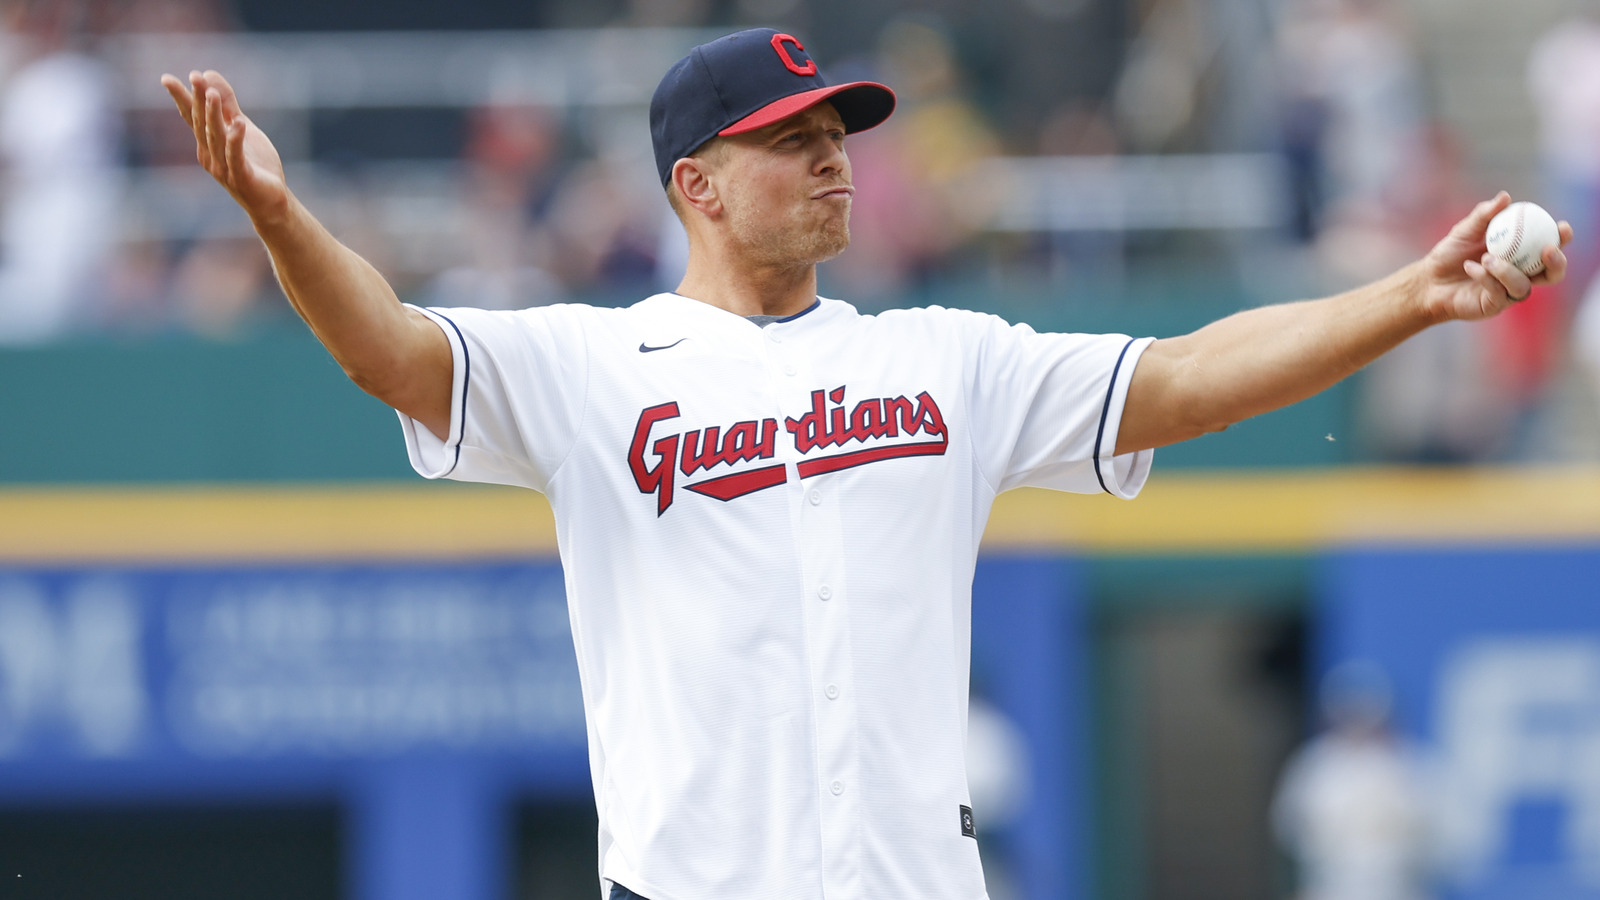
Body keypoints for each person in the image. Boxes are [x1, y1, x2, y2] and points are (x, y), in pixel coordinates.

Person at [160, 27, 1571, 900]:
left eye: (838, 135)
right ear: (696, 185)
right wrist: (281, 221)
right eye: (794, 142)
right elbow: (394, 353)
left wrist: (1407, 297)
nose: (835, 160)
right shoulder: (591, 368)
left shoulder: (942, 359)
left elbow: (1186, 380)